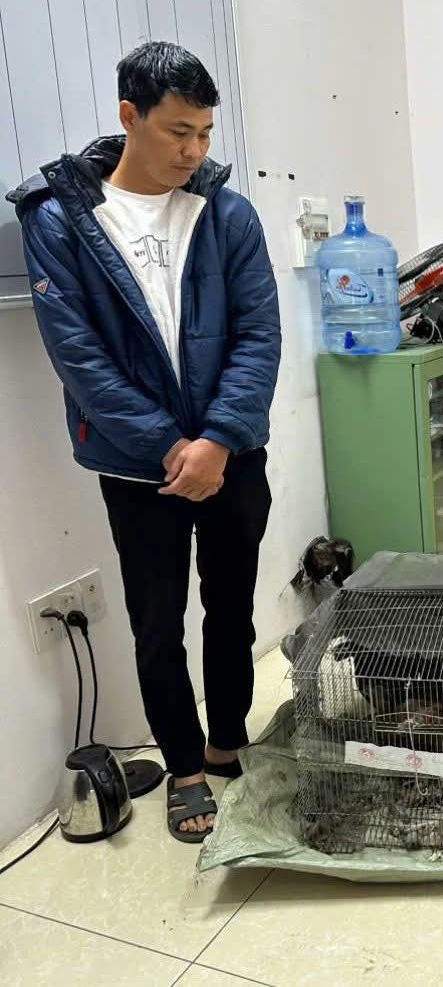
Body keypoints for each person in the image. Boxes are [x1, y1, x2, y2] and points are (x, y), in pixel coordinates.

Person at [7, 42, 281, 842]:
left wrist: (218, 439)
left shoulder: (227, 213)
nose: (194, 151)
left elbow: (259, 333)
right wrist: (170, 447)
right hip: (138, 470)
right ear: (130, 116)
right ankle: (185, 770)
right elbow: (78, 355)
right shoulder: (59, 219)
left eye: (204, 133)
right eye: (177, 132)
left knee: (231, 610)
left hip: (233, 456)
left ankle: (227, 744)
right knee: (157, 625)